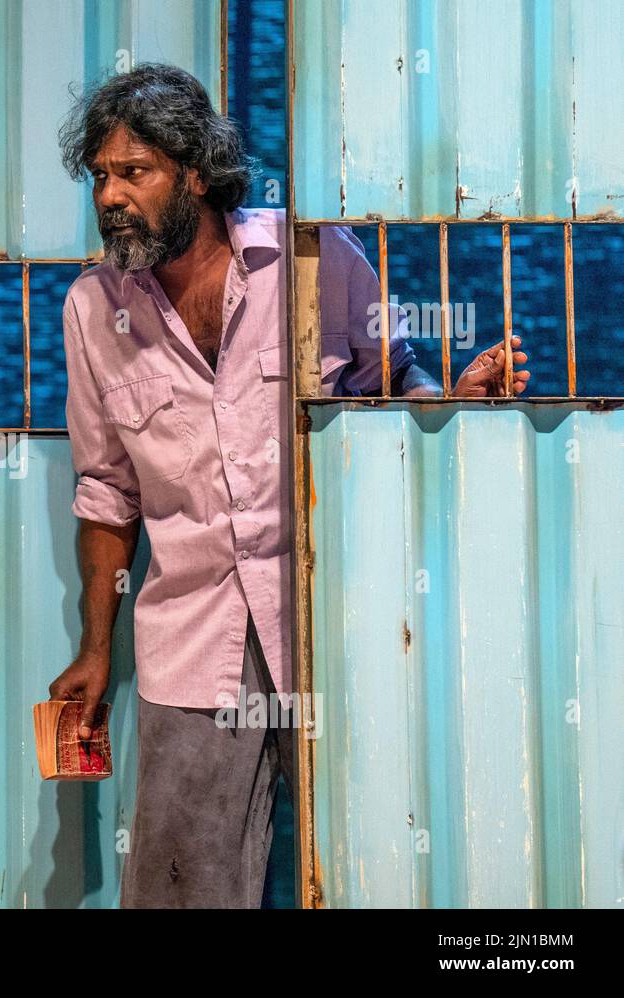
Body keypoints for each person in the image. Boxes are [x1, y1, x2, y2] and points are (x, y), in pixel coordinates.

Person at [47, 63, 530, 908]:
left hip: (333, 621)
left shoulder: (308, 260)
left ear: (195, 173)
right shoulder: (93, 310)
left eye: (134, 172)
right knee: (177, 891)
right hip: (194, 647)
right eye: (100, 177)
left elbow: (389, 382)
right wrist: (95, 648)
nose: (111, 197)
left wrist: (456, 402)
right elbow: (106, 493)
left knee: (382, 852)